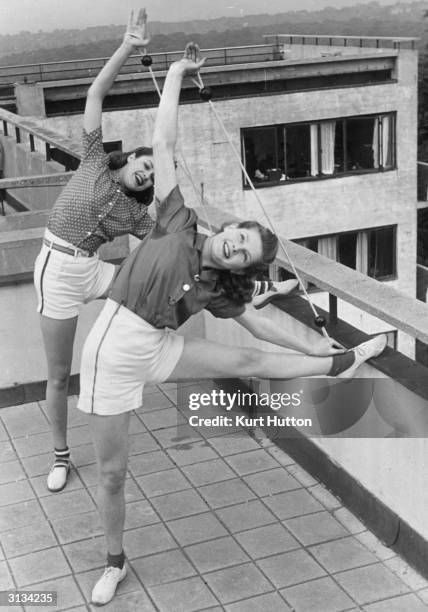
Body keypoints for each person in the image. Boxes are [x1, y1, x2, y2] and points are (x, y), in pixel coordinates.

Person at [76, 42, 387, 606]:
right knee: (113, 474)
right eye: (237, 236)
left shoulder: (221, 288)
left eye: (242, 253)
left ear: (240, 265)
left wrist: (319, 339)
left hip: (160, 344)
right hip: (113, 349)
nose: (233, 245)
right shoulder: (175, 221)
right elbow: (164, 140)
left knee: (249, 360)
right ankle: (115, 562)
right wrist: (173, 73)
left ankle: (340, 363)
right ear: (230, 227)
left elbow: (263, 332)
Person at [33, 9, 157, 493]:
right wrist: (128, 46)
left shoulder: (135, 215)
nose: (145, 174)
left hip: (96, 270)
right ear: (128, 160)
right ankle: (60, 455)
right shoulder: (94, 161)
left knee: (156, 288)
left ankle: (245, 292)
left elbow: (171, 241)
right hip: (58, 271)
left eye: (151, 175)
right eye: (143, 164)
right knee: (61, 375)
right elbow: (95, 93)